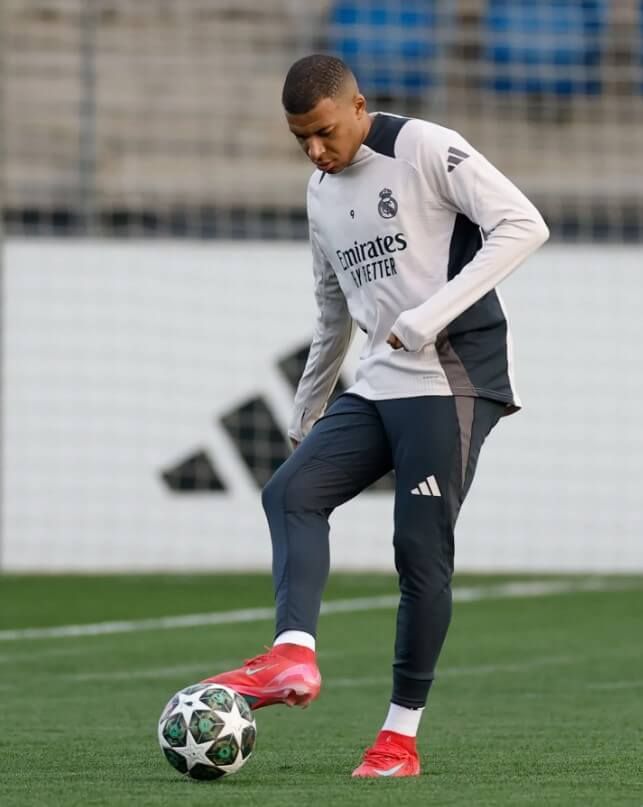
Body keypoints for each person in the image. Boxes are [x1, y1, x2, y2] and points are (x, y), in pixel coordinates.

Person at [206, 53, 549, 778]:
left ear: (358, 106)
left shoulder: (422, 146)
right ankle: (291, 653)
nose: (315, 149)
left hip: (453, 374)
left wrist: (428, 316)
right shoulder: (319, 192)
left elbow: (523, 225)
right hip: (380, 379)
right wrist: (307, 408)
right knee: (290, 492)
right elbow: (332, 308)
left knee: (417, 553)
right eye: (300, 138)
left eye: (325, 131)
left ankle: (398, 739)